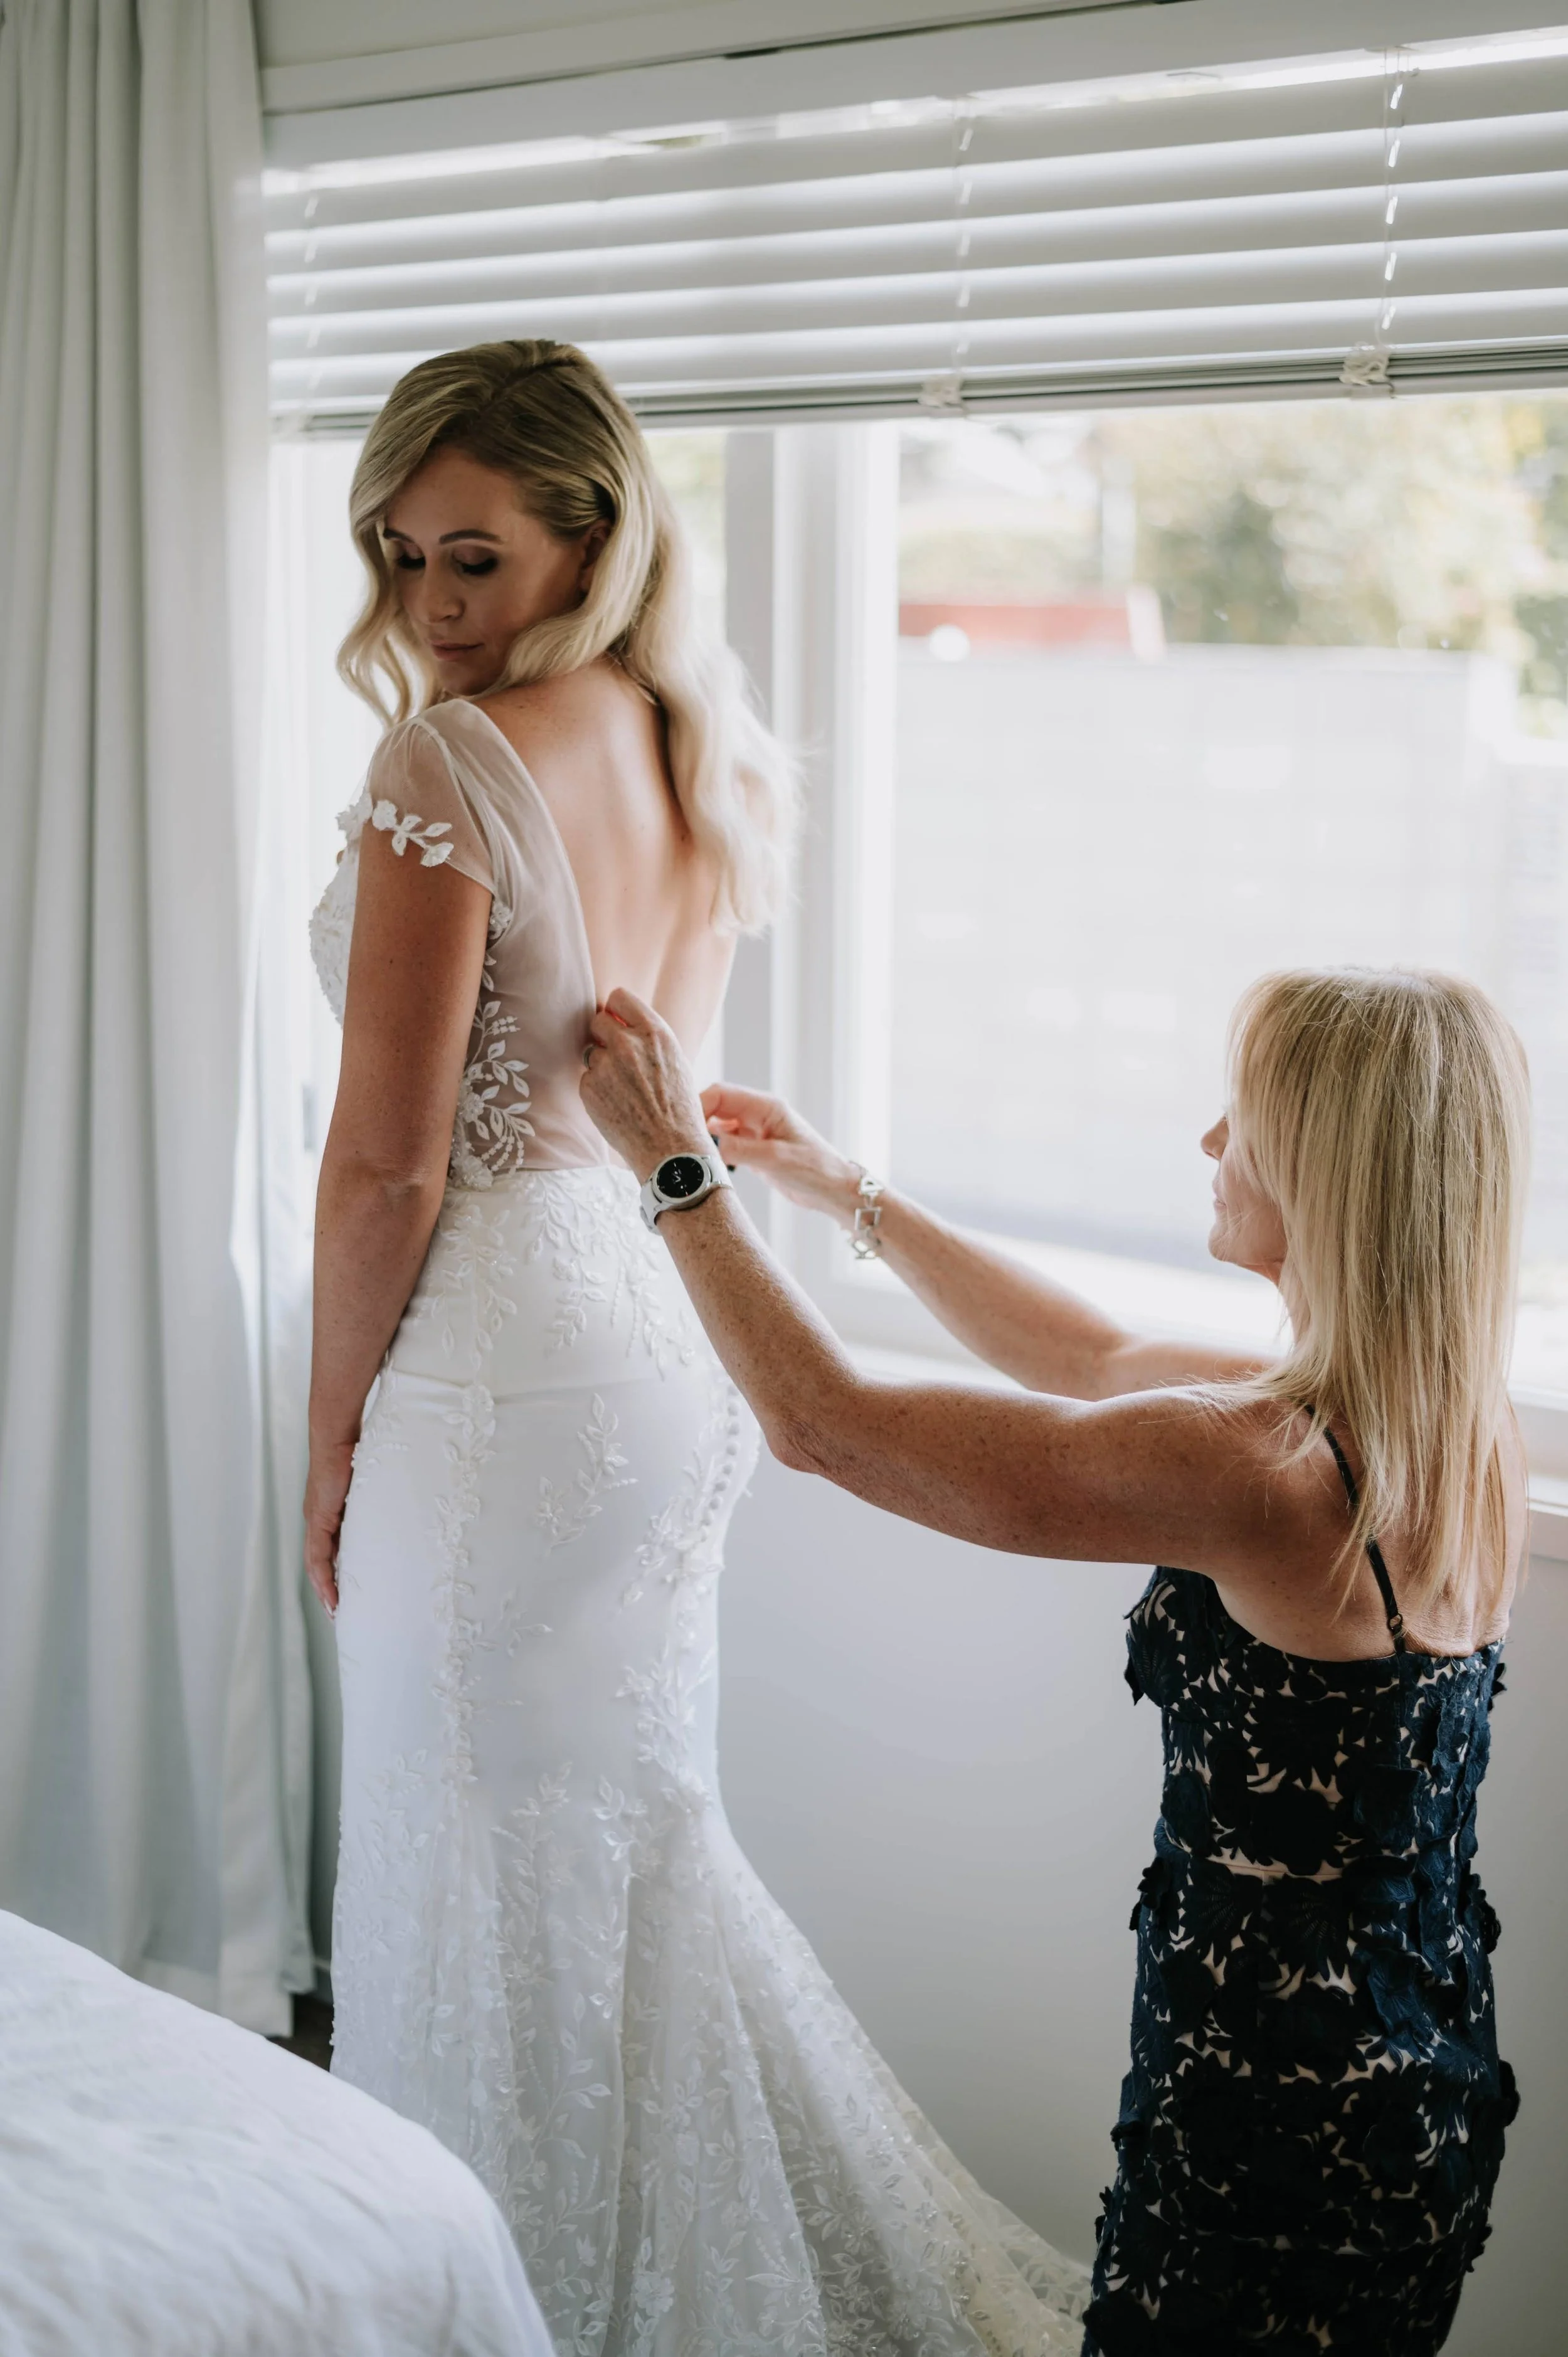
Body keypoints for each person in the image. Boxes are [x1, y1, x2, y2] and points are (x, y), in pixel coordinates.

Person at [305, 337, 1089, 2355]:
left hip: (491, 1378)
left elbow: (386, 1170)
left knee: (469, 1852)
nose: (427, 608)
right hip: (664, 1339)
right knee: (633, 1840)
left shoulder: (448, 765)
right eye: (400, 556)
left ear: (596, 529)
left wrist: (326, 1446)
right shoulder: (698, 740)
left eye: (470, 555)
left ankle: (495, 2303)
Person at [579, 965, 1527, 2357]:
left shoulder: (1259, 1470)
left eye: (1243, 1118)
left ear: (1327, 1168)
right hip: (1418, 2086)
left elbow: (825, 1423)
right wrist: (838, 1185)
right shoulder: (1446, 1427)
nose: (1210, 1144)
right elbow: (1087, 1355)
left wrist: (672, 1165)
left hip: (1274, 2134)